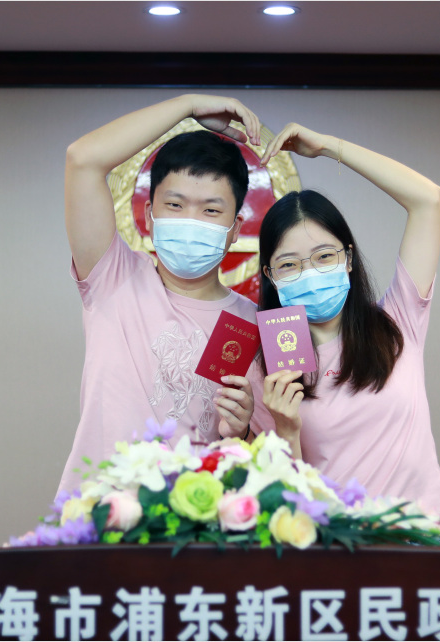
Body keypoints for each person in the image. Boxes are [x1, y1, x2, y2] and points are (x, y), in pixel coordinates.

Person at [57, 94, 272, 495]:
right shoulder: (114, 278)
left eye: (211, 210)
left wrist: (242, 433)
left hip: (194, 521)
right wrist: (189, 104)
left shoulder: (257, 325)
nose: (191, 221)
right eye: (175, 204)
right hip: (100, 515)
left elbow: (275, 461)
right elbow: (82, 158)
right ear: (150, 215)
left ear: (236, 228)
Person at [254, 122, 440, 529]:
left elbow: (428, 200)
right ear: (271, 276)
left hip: (419, 541)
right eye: (289, 264)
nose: (310, 273)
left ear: (348, 258)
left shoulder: (398, 320)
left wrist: (329, 146)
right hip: (334, 547)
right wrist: (287, 430)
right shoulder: (269, 369)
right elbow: (284, 507)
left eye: (324, 256)